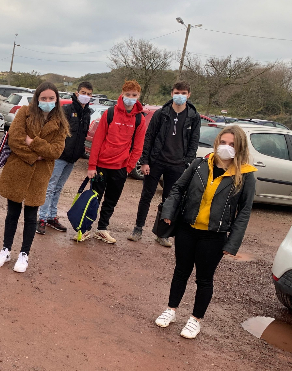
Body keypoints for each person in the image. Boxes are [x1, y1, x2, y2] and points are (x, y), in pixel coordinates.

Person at [155, 126, 256, 339]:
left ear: (240, 148)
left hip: (214, 235)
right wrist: (169, 211)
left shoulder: (245, 175)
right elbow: (178, 188)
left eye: (232, 145)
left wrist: (232, 243)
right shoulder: (200, 163)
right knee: (180, 271)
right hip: (187, 228)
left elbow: (244, 211)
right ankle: (171, 310)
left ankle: (195, 319)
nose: (226, 148)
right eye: (223, 142)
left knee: (204, 279)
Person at [0, 82, 68, 273]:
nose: (47, 101)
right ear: (37, 98)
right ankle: (6, 249)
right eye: (44, 98)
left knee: (31, 215)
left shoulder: (60, 123)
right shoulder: (24, 112)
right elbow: (15, 140)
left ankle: (24, 254)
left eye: (51, 98)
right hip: (17, 170)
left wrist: (33, 142)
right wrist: (37, 155)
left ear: (57, 100)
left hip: (40, 175)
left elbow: (56, 151)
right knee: (12, 213)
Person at [128, 81, 201, 246]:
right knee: (146, 196)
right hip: (156, 162)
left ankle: (162, 234)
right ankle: (138, 228)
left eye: (183, 93)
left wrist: (187, 163)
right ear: (171, 93)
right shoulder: (162, 113)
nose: (180, 96)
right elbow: (149, 137)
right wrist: (145, 161)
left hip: (177, 165)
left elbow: (194, 141)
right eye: (177, 92)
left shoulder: (193, 117)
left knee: (169, 200)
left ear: (189, 95)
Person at [86, 80, 147, 244]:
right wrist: (92, 165)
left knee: (111, 201)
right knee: (94, 199)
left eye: (134, 95)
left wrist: (128, 167)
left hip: (120, 168)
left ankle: (102, 229)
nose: (130, 98)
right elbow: (98, 140)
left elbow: (138, 147)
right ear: (122, 94)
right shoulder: (110, 113)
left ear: (138, 96)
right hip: (101, 166)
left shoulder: (140, 119)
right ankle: (85, 228)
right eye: (128, 94)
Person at [37, 81, 93, 235]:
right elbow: (54, 131)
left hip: (72, 158)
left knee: (59, 188)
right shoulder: (66, 110)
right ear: (77, 93)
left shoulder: (88, 113)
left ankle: (51, 217)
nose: (85, 96)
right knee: (50, 187)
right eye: (83, 92)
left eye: (88, 94)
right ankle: (41, 218)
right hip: (60, 156)